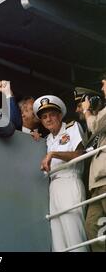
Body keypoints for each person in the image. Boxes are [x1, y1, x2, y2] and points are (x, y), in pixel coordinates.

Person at [33, 95, 88, 252]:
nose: (49, 119)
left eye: (52, 114)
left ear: (60, 115)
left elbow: (80, 154)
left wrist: (53, 154)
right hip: (54, 186)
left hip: (70, 181)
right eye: (44, 117)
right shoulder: (48, 139)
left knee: (74, 235)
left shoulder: (72, 127)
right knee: (58, 240)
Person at [82, 73, 106, 252]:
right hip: (97, 182)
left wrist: (87, 110)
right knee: (92, 226)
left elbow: (95, 126)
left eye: (104, 85)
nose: (103, 89)